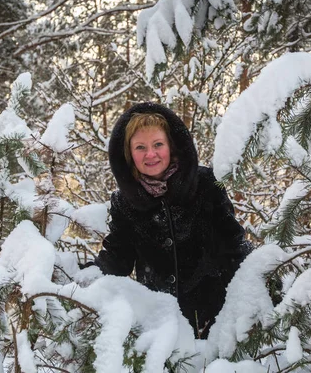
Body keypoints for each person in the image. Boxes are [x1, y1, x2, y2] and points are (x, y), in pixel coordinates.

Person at [94, 102, 253, 339]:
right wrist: (85, 280)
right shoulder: (123, 202)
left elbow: (233, 245)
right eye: (140, 147)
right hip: (160, 328)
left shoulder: (207, 183)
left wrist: (257, 286)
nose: (151, 154)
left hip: (215, 322)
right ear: (129, 154)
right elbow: (118, 257)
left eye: (158, 144)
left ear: (172, 146)